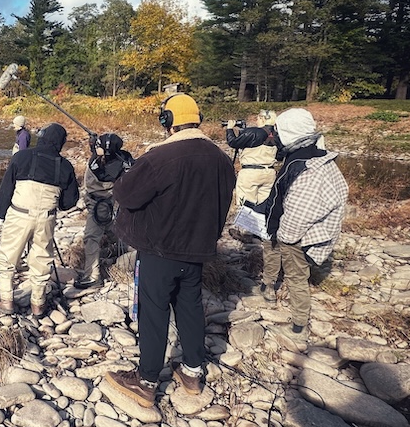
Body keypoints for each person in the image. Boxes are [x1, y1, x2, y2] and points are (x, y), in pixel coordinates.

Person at [104, 94, 235, 407]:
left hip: (161, 249)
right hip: (197, 250)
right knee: (190, 307)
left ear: (168, 121)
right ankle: (192, 372)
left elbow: (126, 194)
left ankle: (146, 380)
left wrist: (123, 170)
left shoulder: (162, 156)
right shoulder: (220, 158)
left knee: (154, 311)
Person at [265, 108, 348, 337]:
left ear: (290, 133)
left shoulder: (305, 168)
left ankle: (298, 323)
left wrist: (284, 236)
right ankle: (269, 285)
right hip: (295, 228)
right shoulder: (316, 156)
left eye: (278, 131)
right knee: (281, 262)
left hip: (296, 237)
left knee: (296, 277)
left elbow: (299, 213)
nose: (274, 136)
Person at [0, 122, 79, 317]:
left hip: (19, 214)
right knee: (41, 259)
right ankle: (38, 304)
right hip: (46, 218)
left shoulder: (21, 156)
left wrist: (1, 215)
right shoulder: (65, 166)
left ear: (42, 137)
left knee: (7, 257)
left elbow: (5, 190)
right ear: (61, 143)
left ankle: (6, 300)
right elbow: (69, 202)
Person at [225, 109, 282, 298]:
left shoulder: (254, 132)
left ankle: (246, 232)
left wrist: (230, 129)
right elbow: (280, 155)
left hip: (250, 172)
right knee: (263, 204)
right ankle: (261, 233)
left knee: (244, 203)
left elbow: (233, 143)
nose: (256, 120)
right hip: (269, 172)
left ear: (263, 119)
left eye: (258, 117)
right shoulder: (276, 134)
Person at [74, 132, 134, 290]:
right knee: (114, 231)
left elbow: (100, 166)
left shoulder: (104, 167)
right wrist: (94, 142)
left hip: (100, 206)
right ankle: (129, 251)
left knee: (91, 238)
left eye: (99, 148)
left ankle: (93, 277)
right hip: (112, 205)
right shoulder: (124, 159)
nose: (96, 150)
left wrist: (98, 146)